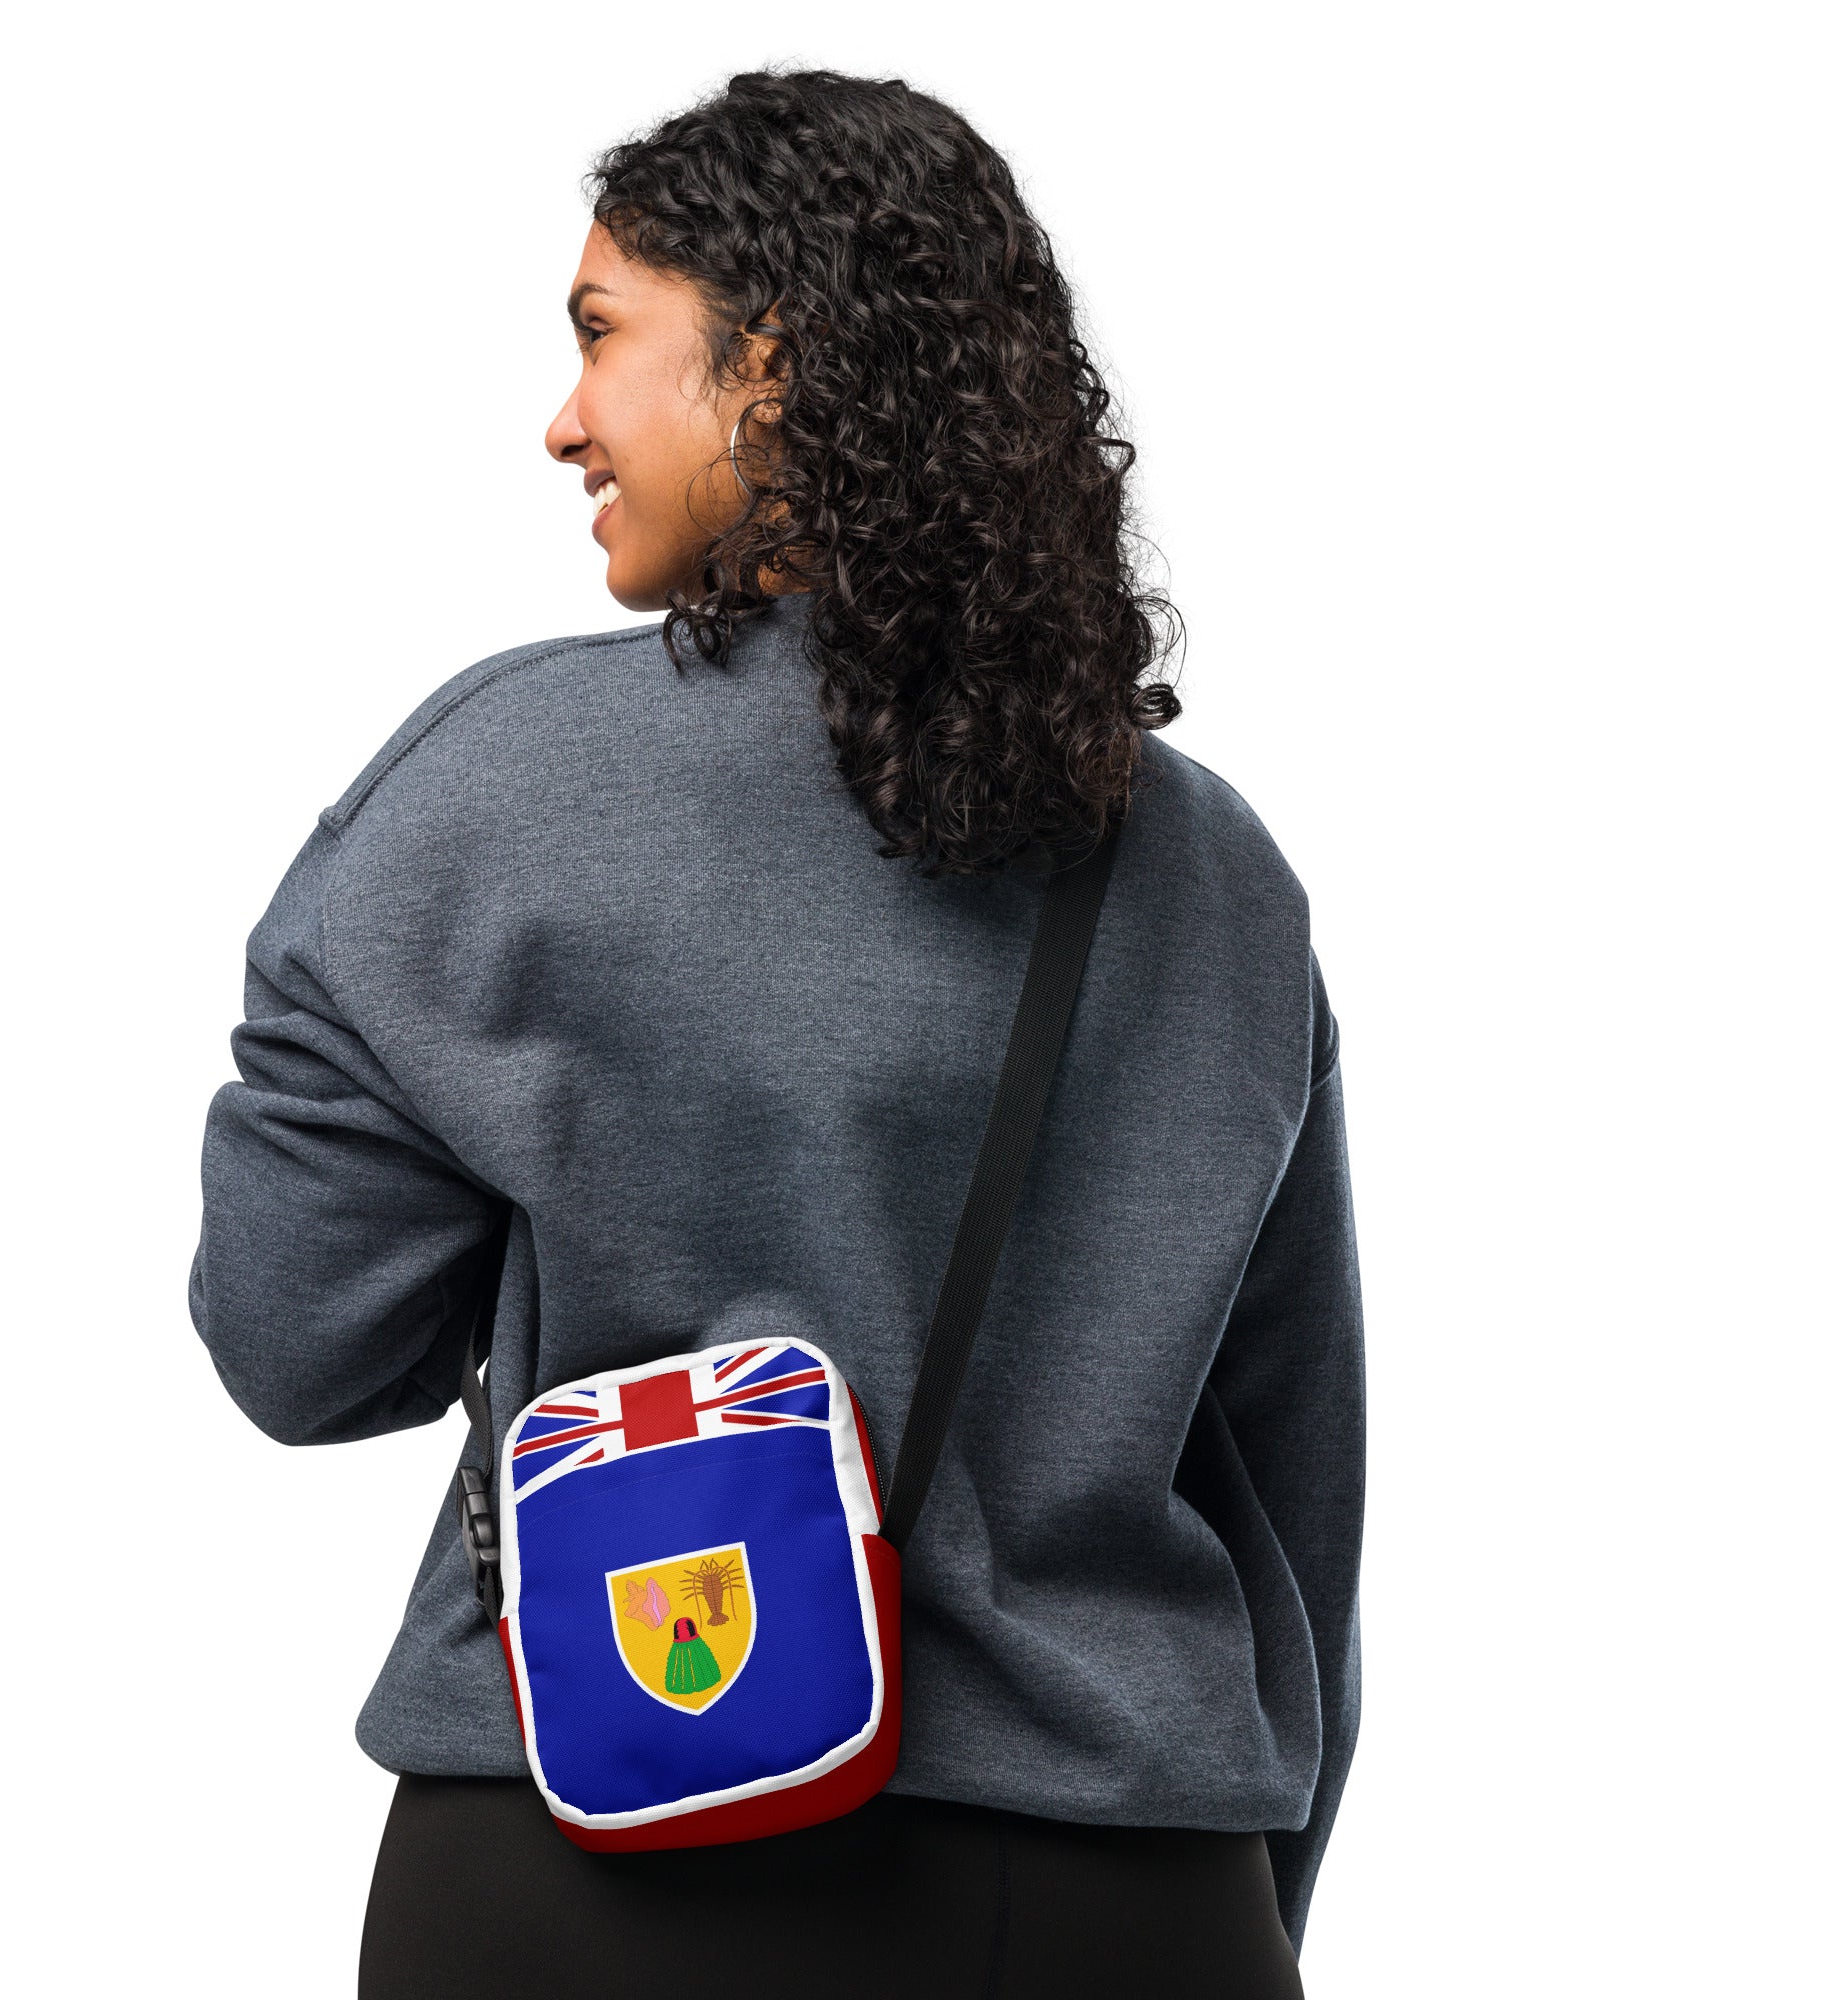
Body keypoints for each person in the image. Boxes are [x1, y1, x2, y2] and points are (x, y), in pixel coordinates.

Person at [190, 69, 1362, 2000]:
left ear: (774, 367)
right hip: (1119, 1885)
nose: (562, 419)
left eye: (599, 336)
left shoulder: (495, 786)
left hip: (590, 1850)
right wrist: (1229, 1896)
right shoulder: (1214, 872)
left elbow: (297, 1347)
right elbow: (1298, 1492)